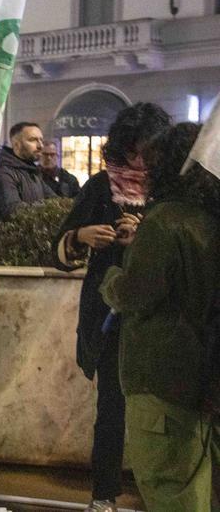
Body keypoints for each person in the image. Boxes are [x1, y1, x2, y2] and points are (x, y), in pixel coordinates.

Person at [52, 103, 170, 511]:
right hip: (108, 318)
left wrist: (144, 236)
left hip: (157, 318)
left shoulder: (170, 191)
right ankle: (103, 495)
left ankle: (157, 492)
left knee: (160, 412)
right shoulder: (102, 187)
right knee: (111, 409)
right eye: (132, 150)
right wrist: (82, 235)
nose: (139, 160)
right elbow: (59, 246)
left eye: (148, 151)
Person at [99, 123, 218, 512]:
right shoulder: (210, 220)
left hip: (163, 381)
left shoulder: (166, 221)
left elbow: (137, 293)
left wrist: (111, 277)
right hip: (204, 382)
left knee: (171, 493)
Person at [0, 121, 56, 221]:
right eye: (33, 140)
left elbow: (55, 201)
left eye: (41, 140)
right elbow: (13, 212)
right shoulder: (3, 172)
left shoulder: (33, 171)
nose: (40, 146)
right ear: (17, 145)